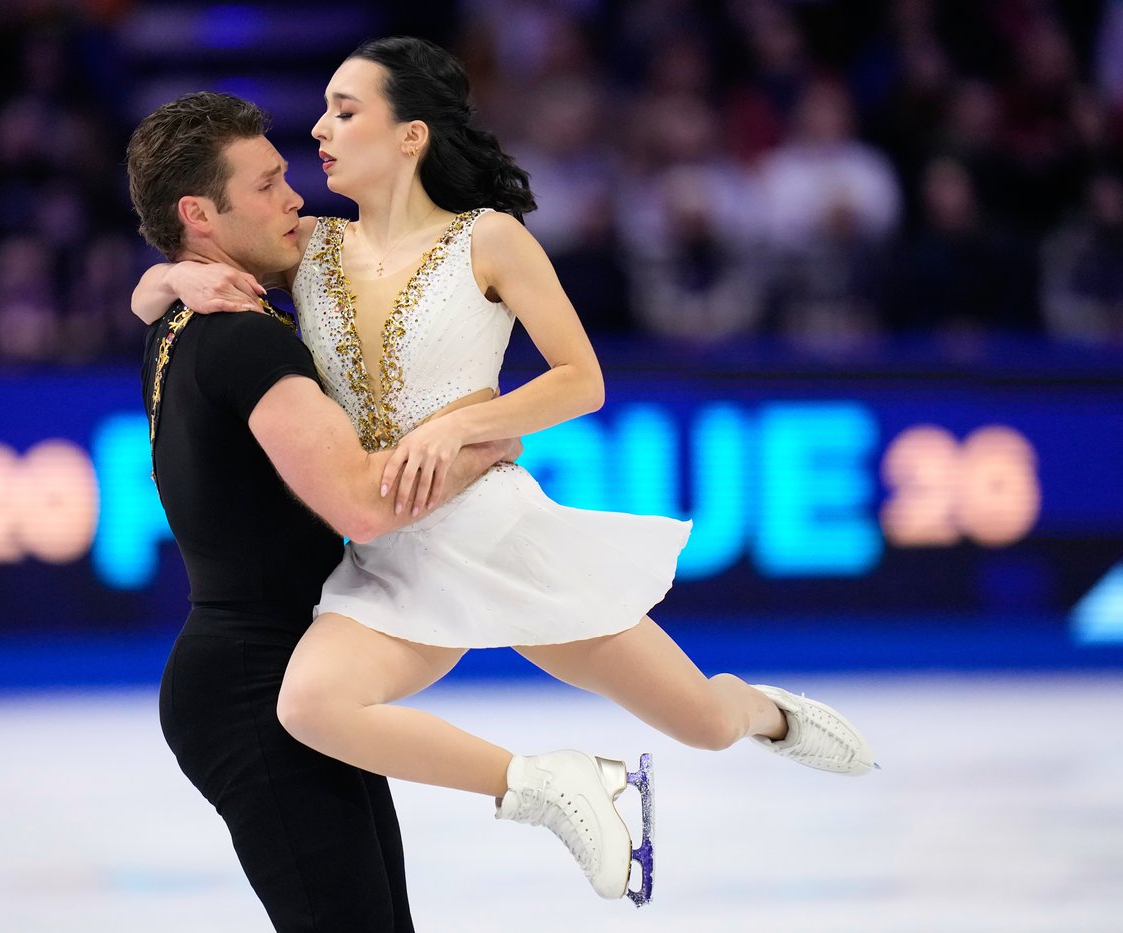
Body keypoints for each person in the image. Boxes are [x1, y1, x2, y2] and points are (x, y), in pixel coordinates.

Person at [132, 37, 878, 905]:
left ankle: (762, 710)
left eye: (344, 110)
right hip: (385, 561)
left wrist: (467, 430)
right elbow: (202, 265)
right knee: (310, 706)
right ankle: (557, 785)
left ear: (410, 135)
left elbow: (582, 381)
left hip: (493, 530)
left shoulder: (488, 240)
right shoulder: (314, 250)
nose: (319, 129)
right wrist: (167, 278)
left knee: (703, 724)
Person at [124, 90, 522, 932]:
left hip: (286, 674)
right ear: (200, 214)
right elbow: (360, 506)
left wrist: (166, 273)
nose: (296, 195)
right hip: (257, 686)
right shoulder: (246, 336)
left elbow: (149, 292)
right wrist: (476, 445)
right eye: (266, 184)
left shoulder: (189, 315)